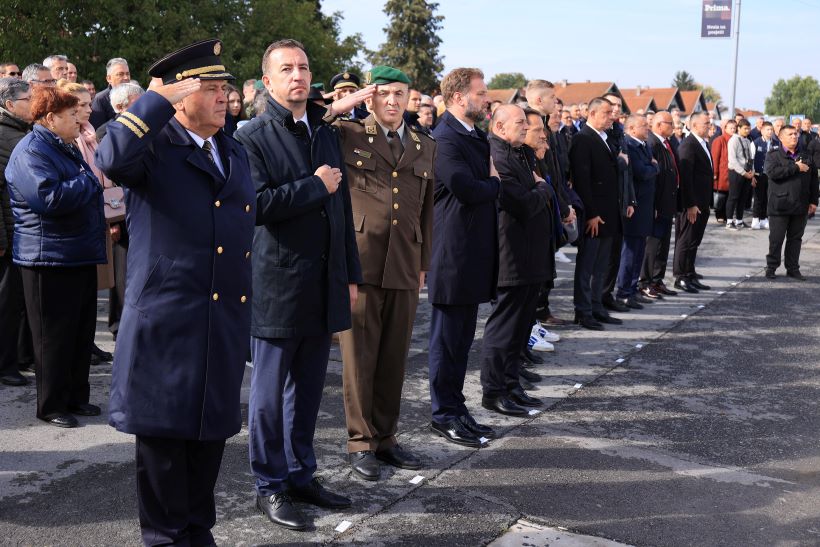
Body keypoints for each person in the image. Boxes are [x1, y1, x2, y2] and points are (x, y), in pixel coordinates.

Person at [95, 39, 255, 545]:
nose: (222, 97)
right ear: (180, 97)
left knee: (209, 438)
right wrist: (155, 101)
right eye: (208, 88)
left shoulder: (233, 148)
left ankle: (197, 533)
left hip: (221, 318)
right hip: (167, 321)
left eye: (224, 88)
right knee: (164, 449)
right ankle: (166, 538)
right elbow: (111, 156)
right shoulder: (154, 145)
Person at [234, 38, 369, 531]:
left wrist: (351, 273)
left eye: (305, 67)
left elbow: (341, 207)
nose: (299, 76)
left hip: (324, 280)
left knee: (309, 389)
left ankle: (300, 473)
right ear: (267, 81)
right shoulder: (250, 136)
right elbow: (257, 207)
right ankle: (269, 485)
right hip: (277, 282)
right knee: (269, 395)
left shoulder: (323, 132)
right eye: (287, 69)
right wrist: (314, 185)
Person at [332, 65, 434, 481]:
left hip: (405, 262)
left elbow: (427, 210)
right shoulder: (349, 133)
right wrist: (344, 104)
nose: (393, 101)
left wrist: (424, 262)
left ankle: (386, 437)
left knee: (394, 355)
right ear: (371, 97)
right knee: (359, 357)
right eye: (385, 93)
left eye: (400, 94)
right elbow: (308, 123)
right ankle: (360, 442)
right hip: (362, 258)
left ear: (410, 99)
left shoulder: (425, 144)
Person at [5, 86, 105, 427]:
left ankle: (76, 397)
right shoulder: (31, 150)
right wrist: (87, 181)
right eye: (71, 114)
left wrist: (84, 180)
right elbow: (49, 199)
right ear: (50, 118)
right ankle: (51, 405)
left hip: (74, 252)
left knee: (79, 333)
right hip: (47, 257)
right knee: (53, 338)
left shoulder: (62, 145)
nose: (79, 119)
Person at [427, 67, 500, 448]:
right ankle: (443, 414)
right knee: (446, 342)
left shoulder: (473, 135)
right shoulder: (444, 137)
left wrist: (489, 182)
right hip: (452, 254)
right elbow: (467, 188)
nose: (486, 98)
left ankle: (457, 408)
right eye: (481, 92)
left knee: (461, 341)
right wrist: (494, 183)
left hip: (471, 253)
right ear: (459, 97)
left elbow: (481, 185)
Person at [482, 104, 552, 416]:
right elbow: (521, 203)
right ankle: (494, 390)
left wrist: (539, 187)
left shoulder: (516, 153)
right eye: (520, 122)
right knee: (505, 327)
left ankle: (511, 385)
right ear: (500, 127)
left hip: (528, 254)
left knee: (520, 325)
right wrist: (543, 189)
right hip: (511, 254)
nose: (526, 128)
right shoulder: (499, 156)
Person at [96, 82, 145, 343]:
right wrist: (112, 219)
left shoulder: (145, 130)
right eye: (138, 103)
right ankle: (120, 327)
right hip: (118, 216)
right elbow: (107, 177)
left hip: (138, 211)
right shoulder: (107, 132)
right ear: (120, 107)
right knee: (121, 276)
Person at [569, 97, 621, 331]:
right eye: (607, 112)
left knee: (601, 265)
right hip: (594, 214)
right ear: (591, 113)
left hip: (608, 212)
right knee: (587, 265)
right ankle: (583, 311)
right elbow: (582, 180)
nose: (611, 116)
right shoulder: (583, 139)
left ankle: (597, 306)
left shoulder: (605, 138)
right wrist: (590, 213)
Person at [0, 78, 33, 387]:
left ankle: (13, 360)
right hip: (8, 237)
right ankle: (5, 365)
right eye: (28, 99)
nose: (34, 103)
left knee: (15, 305)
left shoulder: (24, 132)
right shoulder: (2, 135)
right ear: (10, 105)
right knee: (6, 305)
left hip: (21, 232)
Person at [763, 125, 818, 280]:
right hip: (780, 205)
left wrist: (814, 201)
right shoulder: (773, 155)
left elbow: (814, 179)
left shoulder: (806, 155)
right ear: (781, 138)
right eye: (790, 134)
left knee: (795, 239)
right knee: (776, 239)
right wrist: (795, 167)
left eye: (796, 134)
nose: (794, 137)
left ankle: (792, 268)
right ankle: (771, 267)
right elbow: (773, 173)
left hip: (800, 205)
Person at [616, 114, 658, 308]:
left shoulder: (644, 145)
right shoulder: (630, 146)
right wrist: (654, 167)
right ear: (632, 129)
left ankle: (632, 289)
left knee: (639, 250)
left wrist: (652, 167)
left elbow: (649, 168)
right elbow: (642, 172)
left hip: (646, 206)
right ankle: (624, 291)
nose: (647, 128)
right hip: (635, 205)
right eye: (643, 126)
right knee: (630, 251)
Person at [673, 112, 713, 293]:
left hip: (702, 201)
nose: (710, 126)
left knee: (694, 240)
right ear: (695, 125)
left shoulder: (702, 143)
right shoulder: (689, 145)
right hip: (693, 203)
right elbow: (686, 178)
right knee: (686, 240)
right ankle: (681, 276)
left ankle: (689, 272)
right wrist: (690, 204)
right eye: (706, 123)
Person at [640, 111, 679, 298]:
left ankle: (657, 279)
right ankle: (645, 281)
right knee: (652, 245)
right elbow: (653, 177)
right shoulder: (652, 143)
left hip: (667, 202)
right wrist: (653, 204)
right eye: (669, 123)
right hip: (657, 203)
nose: (673, 126)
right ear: (658, 124)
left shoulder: (665, 142)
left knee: (663, 244)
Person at [725, 118, 755, 229]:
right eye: (745, 128)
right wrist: (743, 172)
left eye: (749, 128)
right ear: (739, 128)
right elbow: (732, 160)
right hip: (736, 172)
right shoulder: (733, 140)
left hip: (747, 173)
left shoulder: (747, 141)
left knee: (743, 198)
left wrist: (752, 172)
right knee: (733, 197)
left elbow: (751, 158)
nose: (748, 131)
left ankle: (739, 220)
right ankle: (729, 221)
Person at [90, 57, 130, 128]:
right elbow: (97, 132)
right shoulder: (100, 100)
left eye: (127, 74)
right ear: (109, 78)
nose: (126, 77)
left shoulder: (134, 96)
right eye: (120, 74)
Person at [711, 119, 736, 223]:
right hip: (722, 173)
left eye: (735, 128)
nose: (733, 130)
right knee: (721, 195)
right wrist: (715, 173)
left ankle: (728, 215)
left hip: (733, 173)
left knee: (730, 195)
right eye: (731, 128)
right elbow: (715, 158)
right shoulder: (719, 140)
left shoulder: (736, 140)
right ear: (725, 128)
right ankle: (720, 214)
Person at [751, 121, 774, 230]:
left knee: (767, 197)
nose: (770, 132)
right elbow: (751, 160)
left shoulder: (776, 143)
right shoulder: (756, 143)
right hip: (758, 174)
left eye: (771, 130)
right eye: (767, 129)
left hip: (770, 175)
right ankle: (755, 219)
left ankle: (764, 219)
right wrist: (752, 175)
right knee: (758, 197)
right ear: (762, 130)